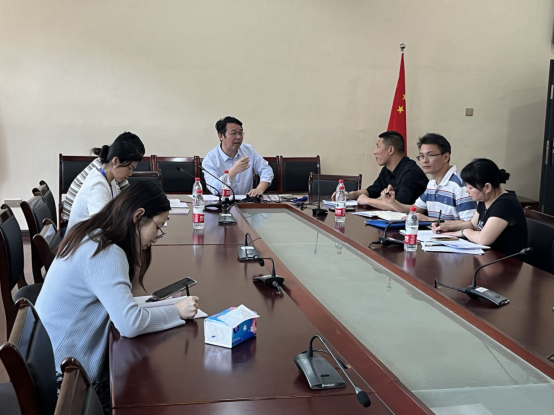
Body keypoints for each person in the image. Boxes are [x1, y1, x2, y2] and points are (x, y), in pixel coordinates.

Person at [36, 181, 200, 412]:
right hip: (65, 383)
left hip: (52, 364)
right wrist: (176, 312)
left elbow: (124, 307)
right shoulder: (105, 253)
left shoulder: (93, 234)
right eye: (158, 227)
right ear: (138, 216)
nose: (157, 236)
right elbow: (129, 324)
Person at [433, 158, 528, 255]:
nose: (466, 190)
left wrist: (464, 232)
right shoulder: (485, 198)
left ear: (487, 187)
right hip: (489, 256)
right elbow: (473, 225)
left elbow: (483, 239)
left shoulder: (505, 204)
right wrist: (450, 228)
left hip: (507, 260)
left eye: (470, 187)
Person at [380, 133, 476, 222]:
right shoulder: (432, 184)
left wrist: (428, 220)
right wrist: (392, 202)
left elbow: (470, 223)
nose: (424, 160)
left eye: (430, 155)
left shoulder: (460, 185)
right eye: (421, 156)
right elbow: (414, 209)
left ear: (446, 157)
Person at [61, 132, 145, 223]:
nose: (130, 174)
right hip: (76, 227)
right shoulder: (97, 183)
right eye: (130, 168)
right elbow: (102, 224)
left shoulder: (110, 178)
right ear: (115, 160)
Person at [334, 131, 428, 208]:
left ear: (390, 150)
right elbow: (372, 191)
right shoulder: (387, 170)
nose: (375, 152)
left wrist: (368, 201)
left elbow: (398, 205)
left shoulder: (411, 172)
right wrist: (349, 195)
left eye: (378, 147)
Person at [202, 116, 274, 197]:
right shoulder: (210, 160)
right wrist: (233, 171)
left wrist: (259, 189)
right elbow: (215, 189)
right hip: (223, 201)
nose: (238, 137)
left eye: (240, 133)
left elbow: (266, 170)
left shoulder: (249, 150)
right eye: (233, 133)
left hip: (247, 201)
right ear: (221, 136)